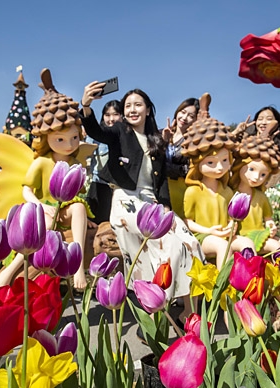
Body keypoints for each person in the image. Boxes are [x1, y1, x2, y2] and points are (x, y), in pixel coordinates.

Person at [80, 81, 204, 323]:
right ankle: (155, 311)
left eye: (138, 104)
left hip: (152, 203)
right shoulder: (119, 132)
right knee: (167, 246)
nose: (132, 109)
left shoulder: (156, 140)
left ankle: (190, 312)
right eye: (128, 105)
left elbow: (161, 182)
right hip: (126, 200)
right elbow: (96, 131)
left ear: (148, 109)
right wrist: (85, 104)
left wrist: (166, 206)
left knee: (189, 243)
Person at [0, 70, 91, 289]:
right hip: (44, 210)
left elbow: (78, 194)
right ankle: (10, 271)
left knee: (79, 209)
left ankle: (78, 265)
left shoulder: (76, 163)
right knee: (45, 222)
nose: (69, 144)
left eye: (74, 137)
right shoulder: (42, 162)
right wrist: (39, 206)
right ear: (46, 137)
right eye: (60, 139)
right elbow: (27, 189)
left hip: (65, 208)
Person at [181, 110, 255, 268]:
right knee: (221, 247)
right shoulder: (193, 191)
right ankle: (223, 289)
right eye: (211, 163)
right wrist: (210, 230)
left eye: (224, 160)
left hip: (225, 235)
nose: (220, 167)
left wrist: (231, 226)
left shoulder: (227, 191)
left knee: (247, 243)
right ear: (197, 164)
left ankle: (252, 283)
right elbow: (188, 222)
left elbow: (232, 218)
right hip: (202, 236)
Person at [228, 134, 280, 255]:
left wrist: (271, 226)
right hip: (240, 236)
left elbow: (268, 219)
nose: (256, 177)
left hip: (260, 234)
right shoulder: (230, 194)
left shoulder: (261, 197)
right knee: (275, 246)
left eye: (263, 175)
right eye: (251, 169)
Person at [161, 97, 200, 219]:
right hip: (160, 187)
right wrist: (164, 141)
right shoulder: (162, 132)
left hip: (179, 190)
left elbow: (189, 168)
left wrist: (165, 168)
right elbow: (152, 159)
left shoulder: (193, 141)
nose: (184, 118)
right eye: (182, 112)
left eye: (191, 116)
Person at [86, 100, 122, 223]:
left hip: (119, 188)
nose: (111, 119)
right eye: (107, 115)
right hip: (98, 185)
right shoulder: (95, 135)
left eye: (115, 114)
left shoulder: (127, 136)